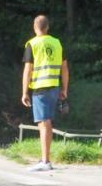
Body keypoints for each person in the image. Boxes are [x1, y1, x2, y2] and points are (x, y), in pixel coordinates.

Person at [21, 15, 69, 171]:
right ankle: (45, 159)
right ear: (47, 27)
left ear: (35, 27)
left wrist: (24, 92)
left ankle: (45, 161)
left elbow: (28, 70)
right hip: (54, 87)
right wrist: (64, 89)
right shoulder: (57, 43)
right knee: (45, 122)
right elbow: (64, 68)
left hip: (40, 88)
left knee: (44, 123)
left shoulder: (32, 44)